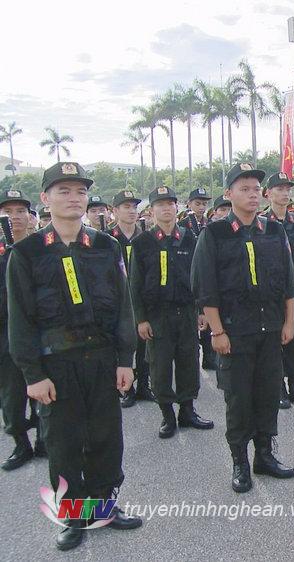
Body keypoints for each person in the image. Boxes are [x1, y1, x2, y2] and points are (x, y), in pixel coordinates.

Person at [8, 162, 143, 550]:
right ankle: (72, 517)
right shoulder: (27, 252)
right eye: (64, 191)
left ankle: (104, 508)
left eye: (80, 191)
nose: (73, 198)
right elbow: (21, 318)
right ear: (46, 199)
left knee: (106, 438)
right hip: (56, 364)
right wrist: (32, 374)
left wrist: (125, 359)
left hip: (101, 359)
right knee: (64, 444)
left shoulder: (106, 246)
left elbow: (122, 307)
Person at [192, 163, 294, 493]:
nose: (252, 194)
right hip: (234, 333)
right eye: (244, 189)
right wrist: (217, 331)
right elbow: (205, 285)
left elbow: (288, 281)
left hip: (270, 329)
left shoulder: (273, 230)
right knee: (238, 400)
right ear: (229, 194)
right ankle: (240, 461)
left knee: (267, 394)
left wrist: (289, 322)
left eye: (256, 189)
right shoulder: (215, 233)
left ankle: (264, 455)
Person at [128, 186, 214, 439]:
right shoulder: (141, 243)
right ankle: (167, 415)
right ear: (152, 210)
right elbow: (134, 284)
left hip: (186, 312)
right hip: (157, 315)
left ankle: (188, 410)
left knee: (189, 361)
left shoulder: (189, 237)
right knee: (160, 366)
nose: (166, 209)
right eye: (160, 205)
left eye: (170, 204)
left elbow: (199, 278)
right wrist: (141, 319)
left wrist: (201, 310)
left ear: (178, 207)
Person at [0, 188, 46, 471]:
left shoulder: (41, 249)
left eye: (20, 212)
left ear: (31, 217)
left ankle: (44, 439)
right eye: (7, 212)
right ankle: (20, 442)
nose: (14, 218)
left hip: (40, 333)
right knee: (12, 395)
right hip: (5, 336)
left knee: (43, 390)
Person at [262, 172, 294, 408]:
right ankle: (278, 387)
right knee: (276, 339)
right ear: (268, 194)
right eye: (279, 189)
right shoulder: (262, 222)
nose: (284, 193)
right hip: (273, 291)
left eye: (287, 189)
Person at [108, 189, 154, 408]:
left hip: (142, 299)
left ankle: (145, 384)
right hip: (117, 301)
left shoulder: (145, 237)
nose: (131, 211)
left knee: (145, 345)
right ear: (115, 211)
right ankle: (128, 389)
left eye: (134, 207)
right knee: (123, 345)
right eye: (126, 207)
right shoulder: (107, 239)